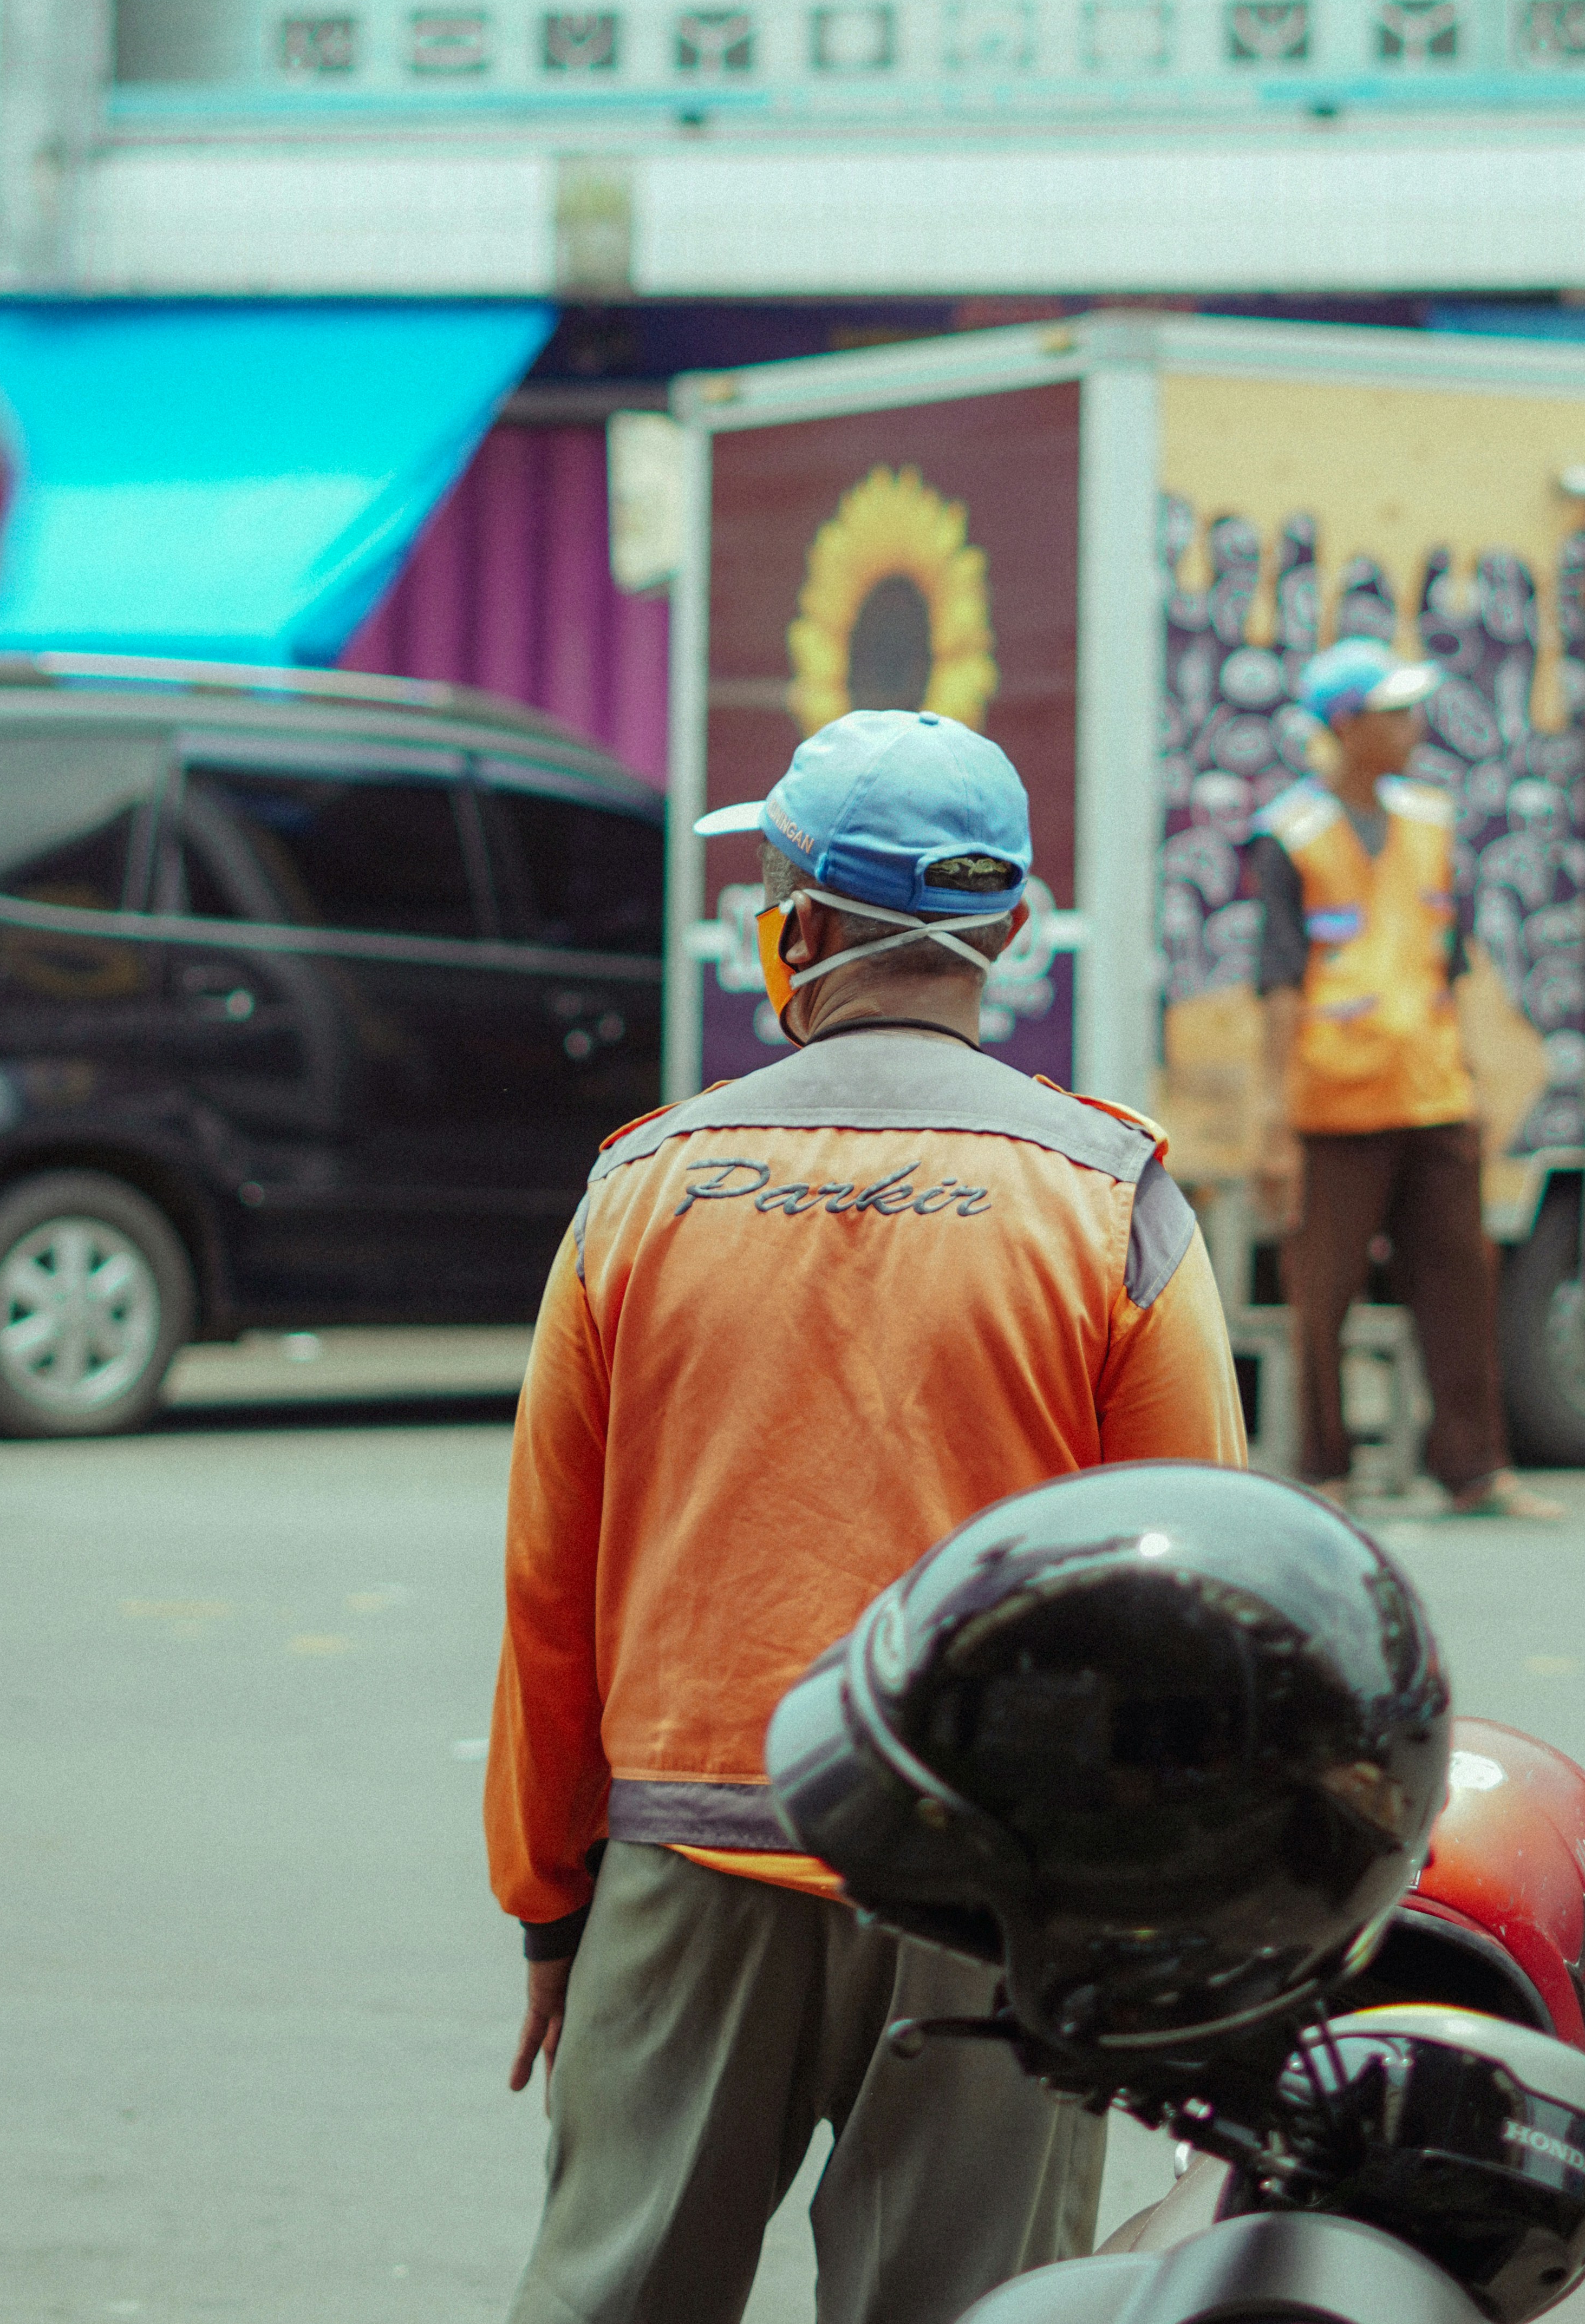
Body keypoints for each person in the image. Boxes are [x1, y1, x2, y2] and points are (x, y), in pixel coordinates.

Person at [485, 704, 1247, 2324]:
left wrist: (552, 1905)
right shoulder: (1110, 1201)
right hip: (999, 1886)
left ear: (800, 928)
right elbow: (1202, 1597)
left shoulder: (641, 1188)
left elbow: (551, 1590)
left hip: (689, 1855)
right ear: (1010, 933)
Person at [1252, 637, 1558, 1520]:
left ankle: (1474, 1467)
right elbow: (1279, 980)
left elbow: (1450, 962)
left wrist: (1477, 1076)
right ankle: (1325, 1469)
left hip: (1431, 1091)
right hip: (1334, 1101)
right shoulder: (1291, 835)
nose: (1414, 726)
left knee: (1460, 1283)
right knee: (1322, 1296)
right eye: (1395, 712)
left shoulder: (1431, 821)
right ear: (1346, 725)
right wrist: (1272, 1117)